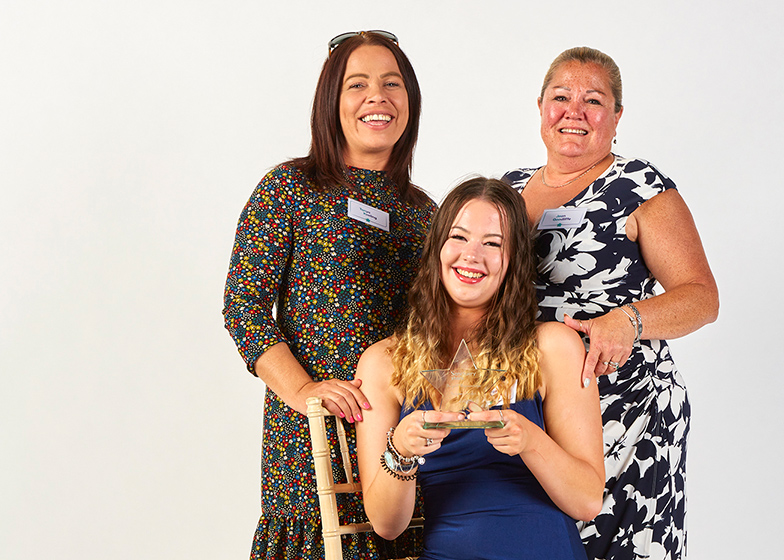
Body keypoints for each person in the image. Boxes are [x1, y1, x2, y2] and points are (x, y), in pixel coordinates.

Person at [222, 31, 436, 560]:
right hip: (308, 447)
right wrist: (302, 390)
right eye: (356, 84)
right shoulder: (289, 188)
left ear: (410, 100)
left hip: (398, 449)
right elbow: (243, 308)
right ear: (330, 102)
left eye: (392, 84)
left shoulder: (426, 214)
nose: (377, 97)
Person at [502, 47, 719, 560]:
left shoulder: (639, 186)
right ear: (539, 107)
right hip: (537, 413)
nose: (573, 111)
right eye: (561, 97)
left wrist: (630, 319)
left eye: (593, 100)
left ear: (616, 117)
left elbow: (702, 297)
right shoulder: (508, 189)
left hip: (628, 410)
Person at [355, 177, 605, 560]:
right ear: (437, 247)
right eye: (459, 237)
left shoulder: (553, 346)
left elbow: (587, 501)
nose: (472, 255)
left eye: (493, 244)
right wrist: (400, 450)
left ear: (513, 261)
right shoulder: (383, 362)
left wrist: (531, 441)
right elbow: (387, 525)